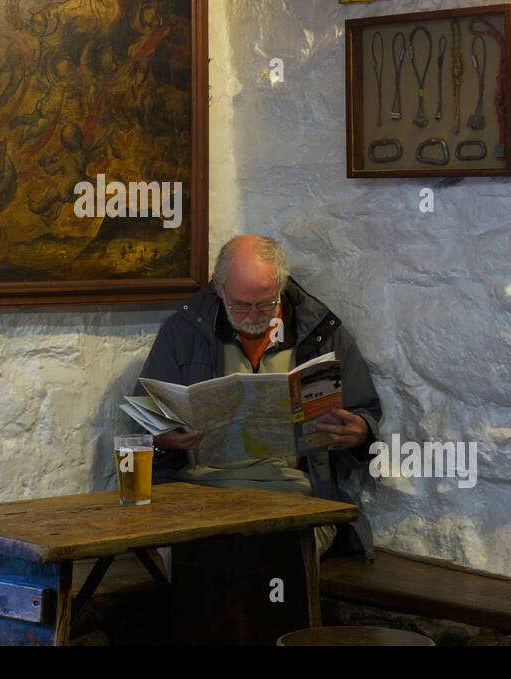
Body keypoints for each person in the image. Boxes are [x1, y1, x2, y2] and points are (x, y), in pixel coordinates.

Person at [135, 235, 382, 560]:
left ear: (280, 286)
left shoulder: (320, 332)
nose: (254, 316)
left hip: (294, 495)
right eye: (240, 305)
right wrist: (164, 439)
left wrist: (360, 432)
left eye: (266, 303)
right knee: (210, 560)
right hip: (200, 494)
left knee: (272, 560)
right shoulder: (184, 332)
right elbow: (141, 429)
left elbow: (364, 414)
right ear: (217, 287)